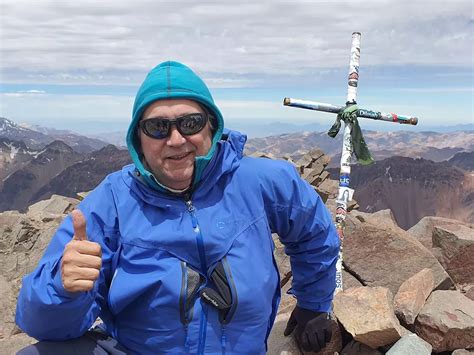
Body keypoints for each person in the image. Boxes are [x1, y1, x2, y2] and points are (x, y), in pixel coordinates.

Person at [15, 61, 340, 354]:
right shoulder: (110, 201)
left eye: (190, 123)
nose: (175, 139)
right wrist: (62, 288)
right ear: (137, 139)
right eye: (157, 128)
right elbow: (43, 327)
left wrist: (314, 303)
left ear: (211, 127)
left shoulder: (262, 181)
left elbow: (315, 234)